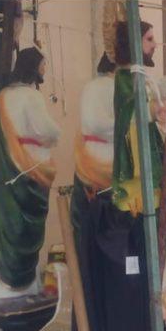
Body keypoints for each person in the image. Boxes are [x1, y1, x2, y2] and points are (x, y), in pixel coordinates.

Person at [0, 47, 61, 300]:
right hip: (29, 174)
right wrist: (56, 134)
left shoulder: (1, 97)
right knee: (24, 230)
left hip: (5, 174)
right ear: (34, 67)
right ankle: (23, 287)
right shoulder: (31, 96)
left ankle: (4, 287)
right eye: (43, 64)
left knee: (8, 228)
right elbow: (46, 131)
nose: (45, 69)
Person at [71, 52, 116, 246]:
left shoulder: (92, 86)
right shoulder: (106, 86)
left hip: (92, 157)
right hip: (101, 159)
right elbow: (97, 123)